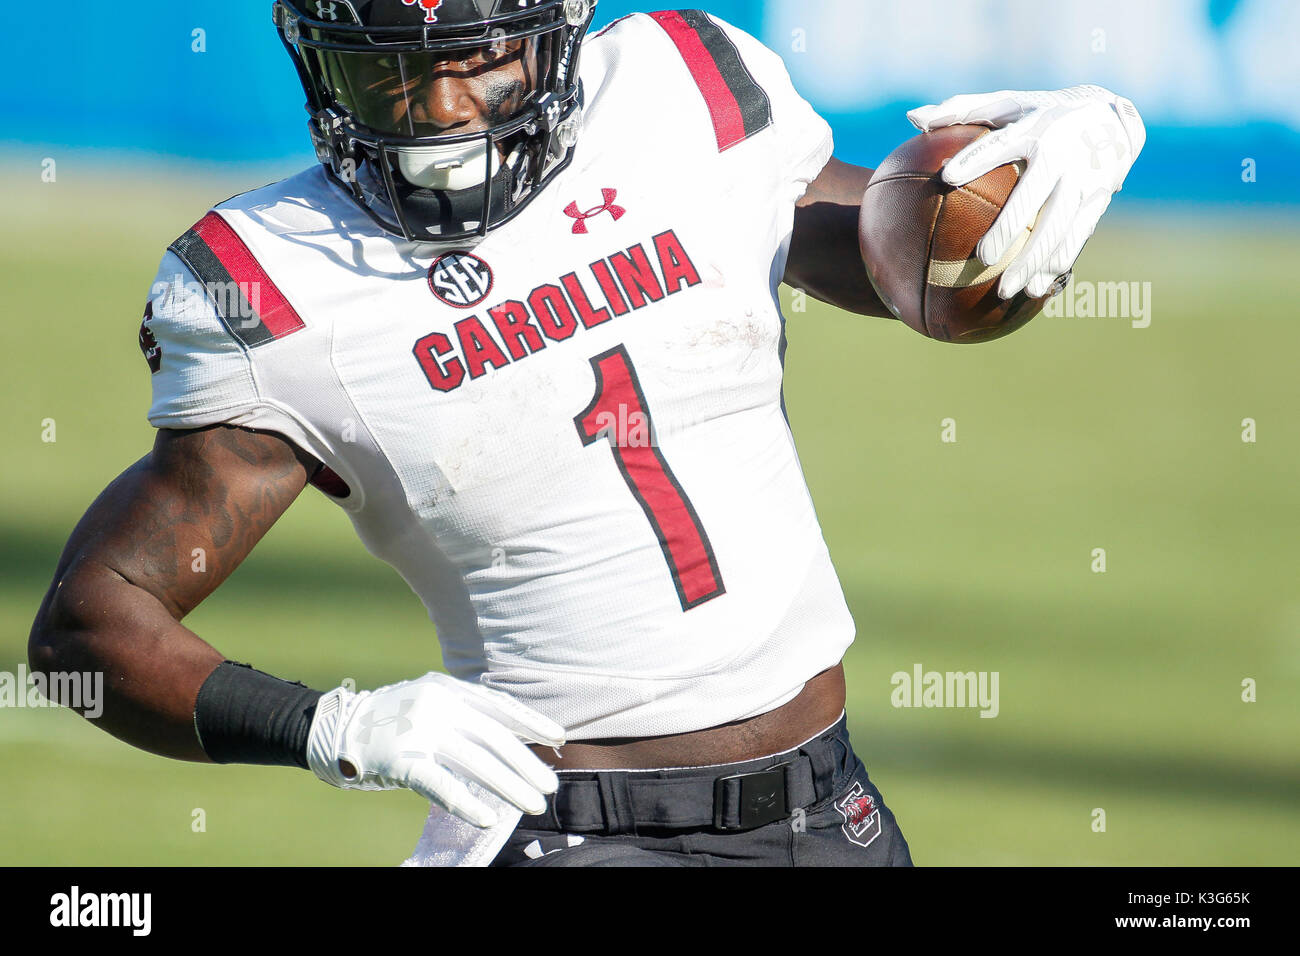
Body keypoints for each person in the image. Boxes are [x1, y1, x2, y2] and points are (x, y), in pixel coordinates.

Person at [28, 0, 1143, 866]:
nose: (448, 114)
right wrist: (336, 724)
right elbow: (89, 623)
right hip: (571, 829)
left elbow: (918, 275)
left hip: (828, 806)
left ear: (557, 37)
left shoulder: (681, 94)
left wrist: (1040, 173)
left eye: (480, 60)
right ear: (322, 65)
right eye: (394, 75)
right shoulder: (280, 281)